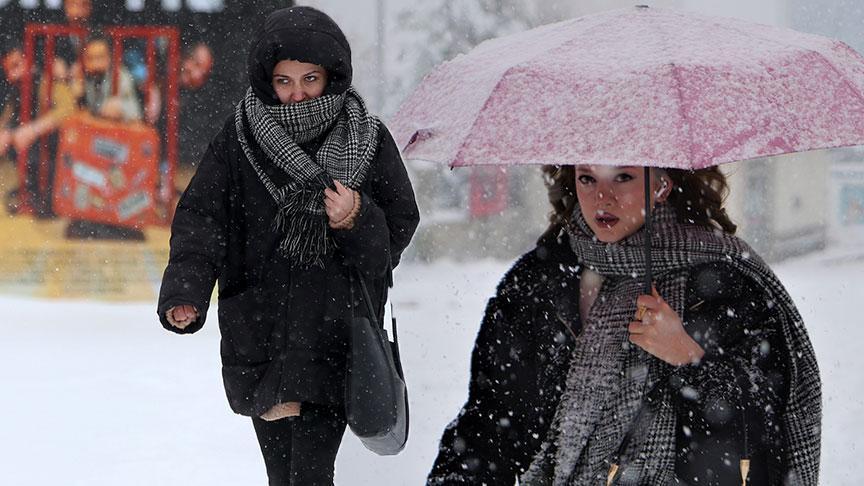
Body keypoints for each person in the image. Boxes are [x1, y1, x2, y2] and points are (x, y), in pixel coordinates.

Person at [427, 165, 821, 485]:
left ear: (662, 186)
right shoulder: (540, 281)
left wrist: (688, 358)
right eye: (588, 178)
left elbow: (764, 429)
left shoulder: (725, 285)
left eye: (623, 177)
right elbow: (494, 418)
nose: (602, 197)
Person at [157, 6, 419, 486]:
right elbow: (201, 221)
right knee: (282, 475)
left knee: (312, 475)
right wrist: (186, 292)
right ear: (265, 79)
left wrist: (357, 219)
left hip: (335, 336)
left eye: (310, 78)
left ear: (332, 77)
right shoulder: (239, 139)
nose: (297, 93)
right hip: (262, 332)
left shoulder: (368, 138)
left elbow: (399, 227)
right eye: (284, 80)